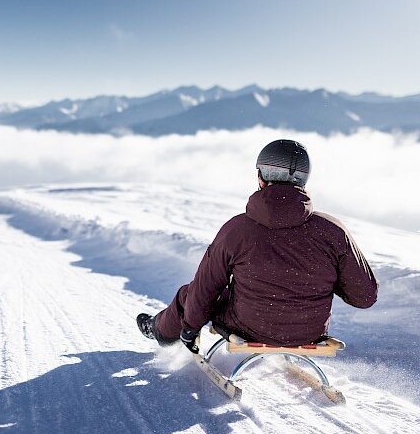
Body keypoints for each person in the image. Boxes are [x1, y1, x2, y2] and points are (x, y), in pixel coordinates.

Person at [137, 139, 377, 353]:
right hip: (308, 332)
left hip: (248, 327)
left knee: (190, 294)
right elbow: (364, 296)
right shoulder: (332, 231)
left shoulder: (237, 229)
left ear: (261, 179)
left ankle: (159, 330)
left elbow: (206, 287)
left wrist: (190, 328)